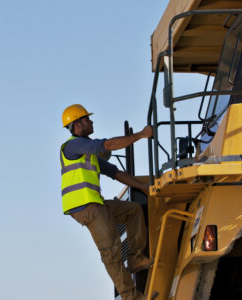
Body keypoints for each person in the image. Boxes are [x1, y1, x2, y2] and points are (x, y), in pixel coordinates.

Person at [60, 104, 154, 300]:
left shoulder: (87, 155)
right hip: (86, 208)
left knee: (133, 210)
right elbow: (107, 145)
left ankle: (136, 259)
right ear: (77, 125)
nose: (91, 121)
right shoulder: (72, 145)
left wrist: (141, 186)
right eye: (87, 119)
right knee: (111, 254)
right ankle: (132, 298)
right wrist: (140, 135)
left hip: (97, 205)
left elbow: (115, 173)